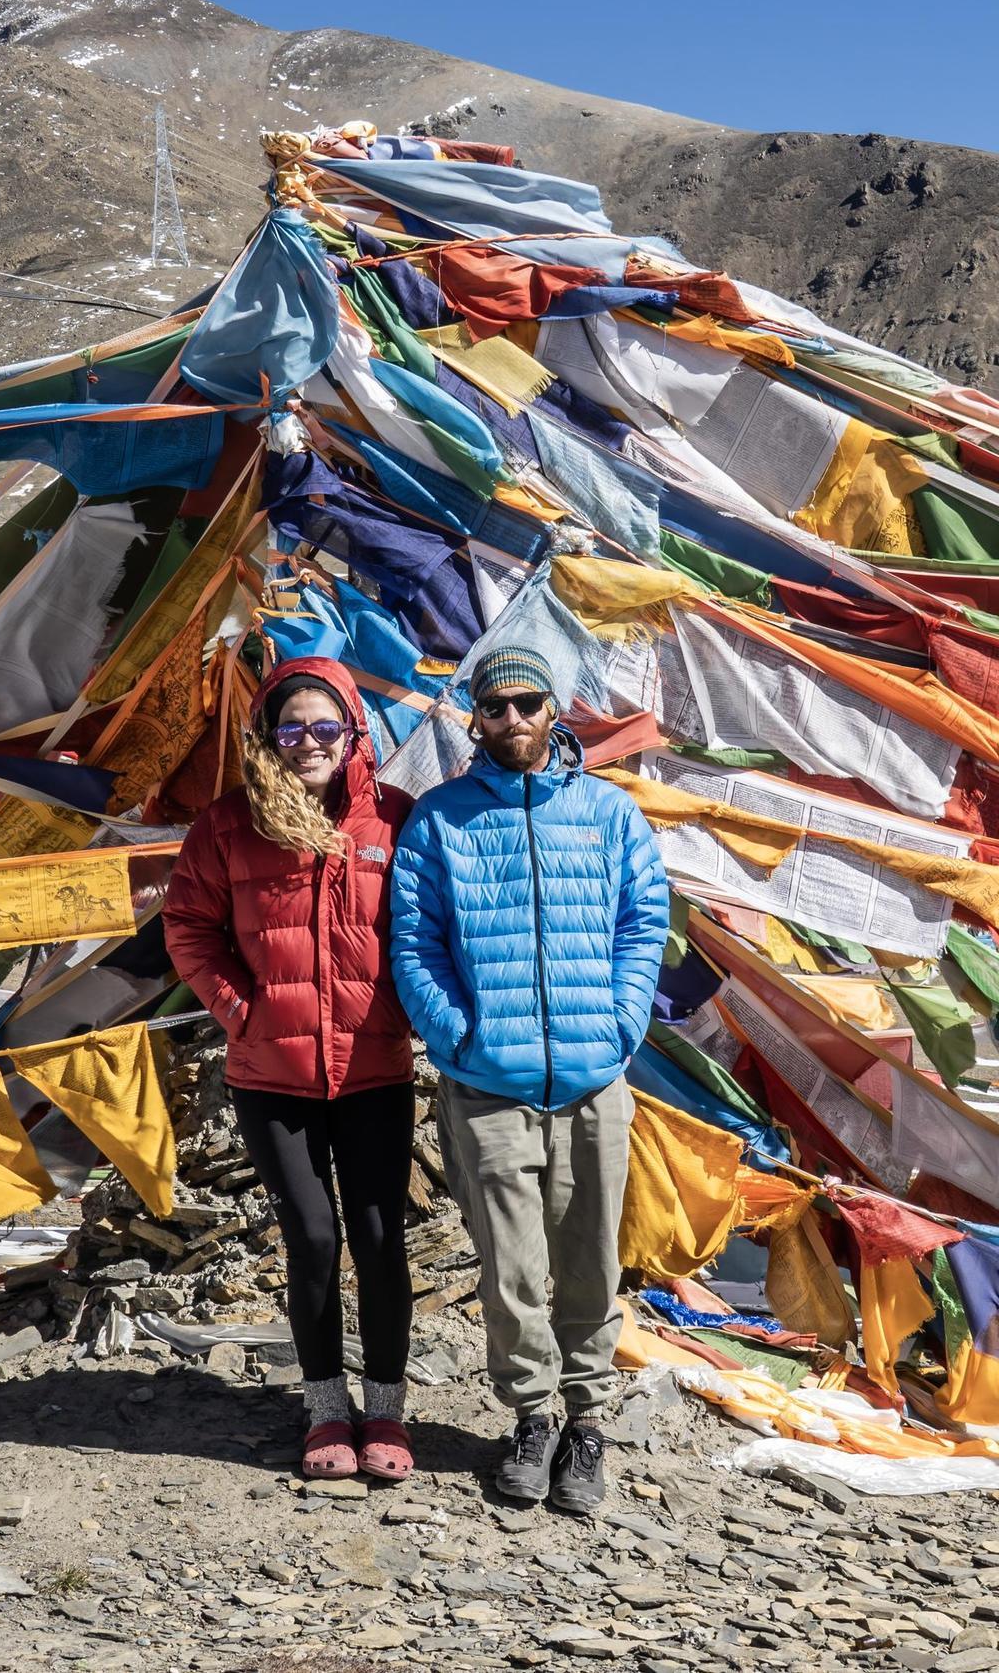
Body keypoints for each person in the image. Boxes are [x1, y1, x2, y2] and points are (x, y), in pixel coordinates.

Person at [389, 645, 669, 1515]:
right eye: (496, 706)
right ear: (475, 718)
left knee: (590, 1264)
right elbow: (414, 939)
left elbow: (644, 922)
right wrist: (454, 1032)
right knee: (512, 1273)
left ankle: (587, 1423)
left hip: (592, 1080)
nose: (512, 718)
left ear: (556, 709)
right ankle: (532, 1417)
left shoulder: (610, 814)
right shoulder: (439, 820)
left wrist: (621, 1022)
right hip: (488, 1083)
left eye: (527, 703)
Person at [163, 656, 416, 1484]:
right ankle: (324, 1408)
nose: (308, 742)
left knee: (379, 1240)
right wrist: (244, 1009)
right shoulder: (227, 827)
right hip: (271, 1075)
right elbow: (189, 927)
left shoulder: (394, 825)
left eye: (324, 727)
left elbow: (430, 930)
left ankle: (385, 1406)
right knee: (312, 1239)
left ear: (353, 733)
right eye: (292, 727)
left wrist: (407, 1014)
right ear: (269, 736)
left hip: (373, 1069)